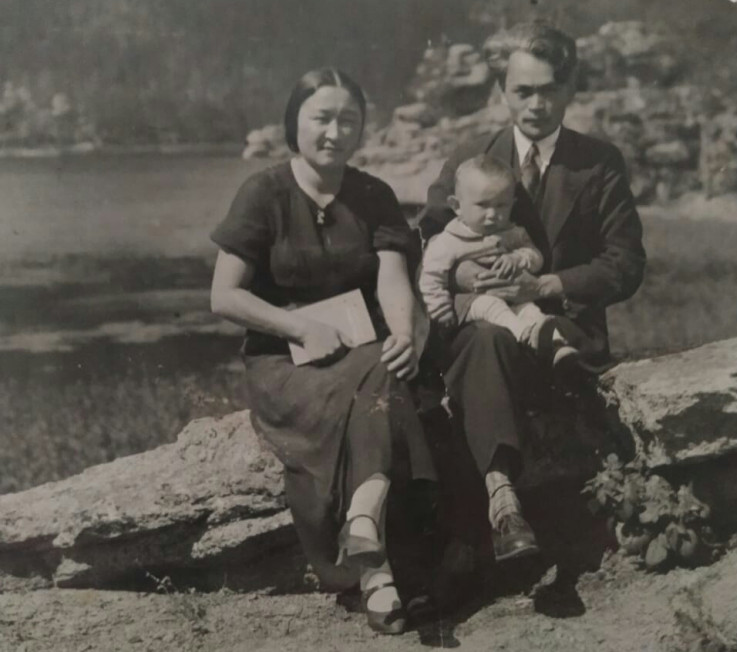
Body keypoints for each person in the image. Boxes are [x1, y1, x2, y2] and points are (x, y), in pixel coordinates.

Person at [210, 68, 437, 635]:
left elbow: (392, 279)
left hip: (359, 351)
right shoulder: (263, 193)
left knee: (385, 365)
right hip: (284, 361)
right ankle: (374, 558)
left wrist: (404, 334)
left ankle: (367, 536)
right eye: (322, 118)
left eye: (348, 121)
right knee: (381, 387)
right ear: (296, 123)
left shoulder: (374, 195)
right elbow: (224, 295)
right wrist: (298, 328)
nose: (335, 132)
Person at [418, 22, 646, 562]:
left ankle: (480, 531)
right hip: (485, 331)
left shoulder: (598, 163)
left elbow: (626, 262)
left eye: (549, 90)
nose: (536, 105)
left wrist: (546, 283)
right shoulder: (471, 157)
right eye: (523, 91)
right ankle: (504, 501)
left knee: (489, 346)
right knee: (484, 340)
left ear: (570, 90)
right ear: (502, 91)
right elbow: (425, 241)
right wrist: (465, 278)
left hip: (562, 334)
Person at [418, 154, 578, 366]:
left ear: (512, 204)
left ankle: (556, 345)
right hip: (463, 305)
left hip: (510, 298)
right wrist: (441, 311)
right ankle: (524, 335)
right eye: (482, 205)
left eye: (501, 206)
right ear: (457, 206)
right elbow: (430, 278)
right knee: (490, 304)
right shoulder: (449, 241)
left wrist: (517, 258)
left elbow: (536, 257)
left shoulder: (512, 232)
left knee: (530, 309)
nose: (493, 214)